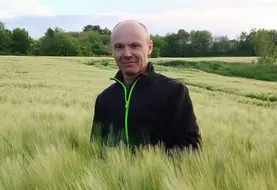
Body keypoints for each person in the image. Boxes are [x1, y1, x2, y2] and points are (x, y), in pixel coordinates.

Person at [90, 19, 202, 152]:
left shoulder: (174, 92)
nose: (127, 54)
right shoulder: (104, 99)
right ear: (112, 50)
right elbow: (96, 149)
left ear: (149, 47)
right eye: (119, 47)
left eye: (135, 46)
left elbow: (191, 150)